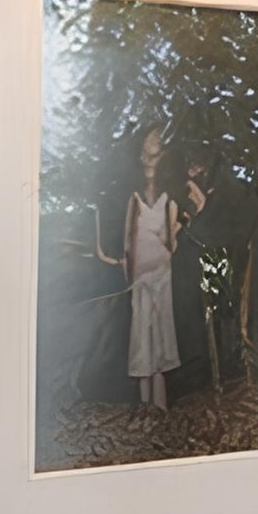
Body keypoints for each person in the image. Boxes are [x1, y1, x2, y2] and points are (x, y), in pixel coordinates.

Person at [111, 127, 185, 415]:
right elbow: (128, 241)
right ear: (141, 155)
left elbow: (171, 242)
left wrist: (175, 236)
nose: (156, 143)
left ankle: (161, 406)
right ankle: (145, 406)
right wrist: (127, 271)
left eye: (158, 141)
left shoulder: (170, 200)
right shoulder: (134, 198)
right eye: (150, 140)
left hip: (163, 275)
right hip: (140, 279)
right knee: (142, 334)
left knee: (163, 334)